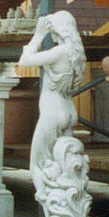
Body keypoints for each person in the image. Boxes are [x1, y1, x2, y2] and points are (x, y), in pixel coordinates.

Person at [18, 11, 86, 199]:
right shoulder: (78, 54)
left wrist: (39, 35)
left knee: (37, 165)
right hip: (69, 111)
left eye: (53, 30)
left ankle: (50, 207)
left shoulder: (60, 52)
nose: (53, 35)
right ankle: (67, 204)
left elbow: (24, 61)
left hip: (53, 112)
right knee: (64, 168)